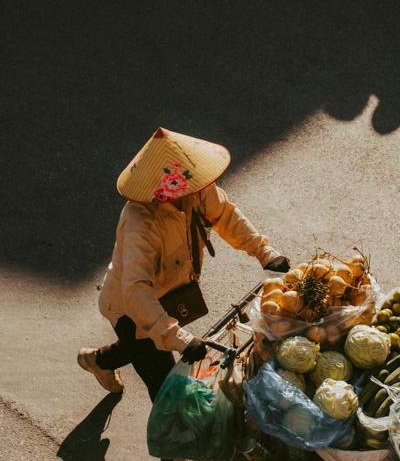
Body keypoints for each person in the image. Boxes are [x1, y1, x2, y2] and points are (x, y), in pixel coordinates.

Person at [78, 127, 289, 408]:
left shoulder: (194, 189)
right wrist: (181, 339)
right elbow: (137, 291)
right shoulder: (140, 223)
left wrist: (266, 254)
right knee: (167, 388)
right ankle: (173, 449)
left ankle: (97, 360)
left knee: (146, 347)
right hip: (133, 311)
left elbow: (225, 215)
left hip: (170, 296)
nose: (192, 194)